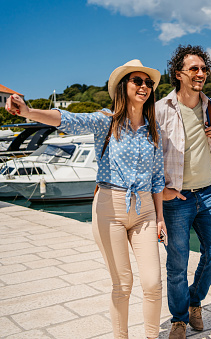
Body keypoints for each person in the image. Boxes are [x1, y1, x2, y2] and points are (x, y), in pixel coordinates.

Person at [6, 60, 166, 339]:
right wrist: (29, 111)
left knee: (153, 283)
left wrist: (161, 216)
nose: (144, 87)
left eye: (148, 83)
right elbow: (66, 119)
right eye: (137, 81)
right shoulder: (107, 121)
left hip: (146, 212)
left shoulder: (154, 130)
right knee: (123, 284)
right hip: (110, 208)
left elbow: (157, 179)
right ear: (123, 86)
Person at [155, 45, 211, 339]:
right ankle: (179, 319)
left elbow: (209, 141)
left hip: (206, 192)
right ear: (178, 74)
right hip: (176, 198)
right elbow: (152, 155)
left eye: (204, 69)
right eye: (194, 69)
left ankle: (194, 300)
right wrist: (162, 191)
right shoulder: (159, 109)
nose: (201, 74)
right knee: (177, 264)